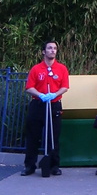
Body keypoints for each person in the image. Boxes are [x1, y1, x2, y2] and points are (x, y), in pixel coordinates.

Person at [22, 42, 69, 175]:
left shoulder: (61, 68)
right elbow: (29, 87)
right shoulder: (36, 69)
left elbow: (65, 86)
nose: (52, 50)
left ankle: (54, 166)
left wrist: (54, 94)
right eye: (49, 48)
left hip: (54, 104)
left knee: (53, 136)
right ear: (43, 51)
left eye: (54, 48)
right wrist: (40, 95)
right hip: (38, 104)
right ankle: (30, 166)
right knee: (33, 136)